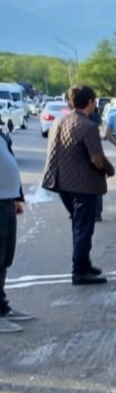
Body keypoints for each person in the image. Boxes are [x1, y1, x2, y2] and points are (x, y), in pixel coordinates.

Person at [40, 85, 113, 285]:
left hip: (60, 182)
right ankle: (79, 271)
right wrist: (109, 169)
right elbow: (97, 158)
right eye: (94, 101)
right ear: (90, 102)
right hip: (83, 185)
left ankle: (84, 264)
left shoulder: (59, 121)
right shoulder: (87, 126)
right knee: (84, 228)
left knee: (78, 224)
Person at [0, 128, 32, 331]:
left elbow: (8, 159)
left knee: (4, 258)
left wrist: (16, 195)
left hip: (6, 199)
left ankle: (2, 306)